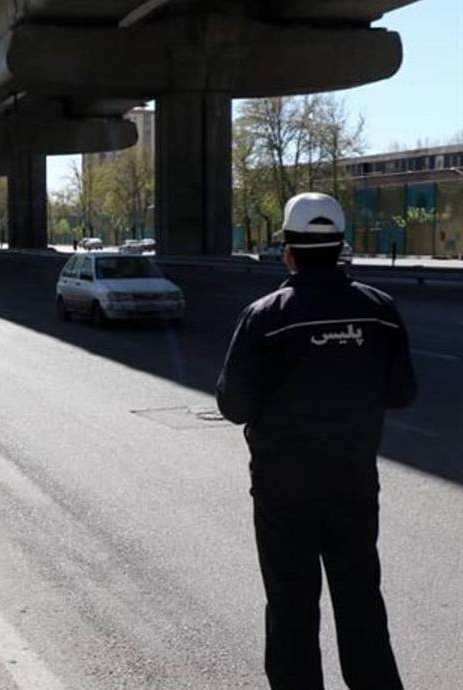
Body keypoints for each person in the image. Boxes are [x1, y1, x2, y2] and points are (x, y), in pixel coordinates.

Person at [216, 192, 417, 690]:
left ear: (288, 250)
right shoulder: (380, 311)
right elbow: (402, 392)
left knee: (291, 606)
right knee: (360, 600)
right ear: (341, 246)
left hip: (284, 493)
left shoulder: (264, 317)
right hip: (353, 485)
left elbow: (234, 405)